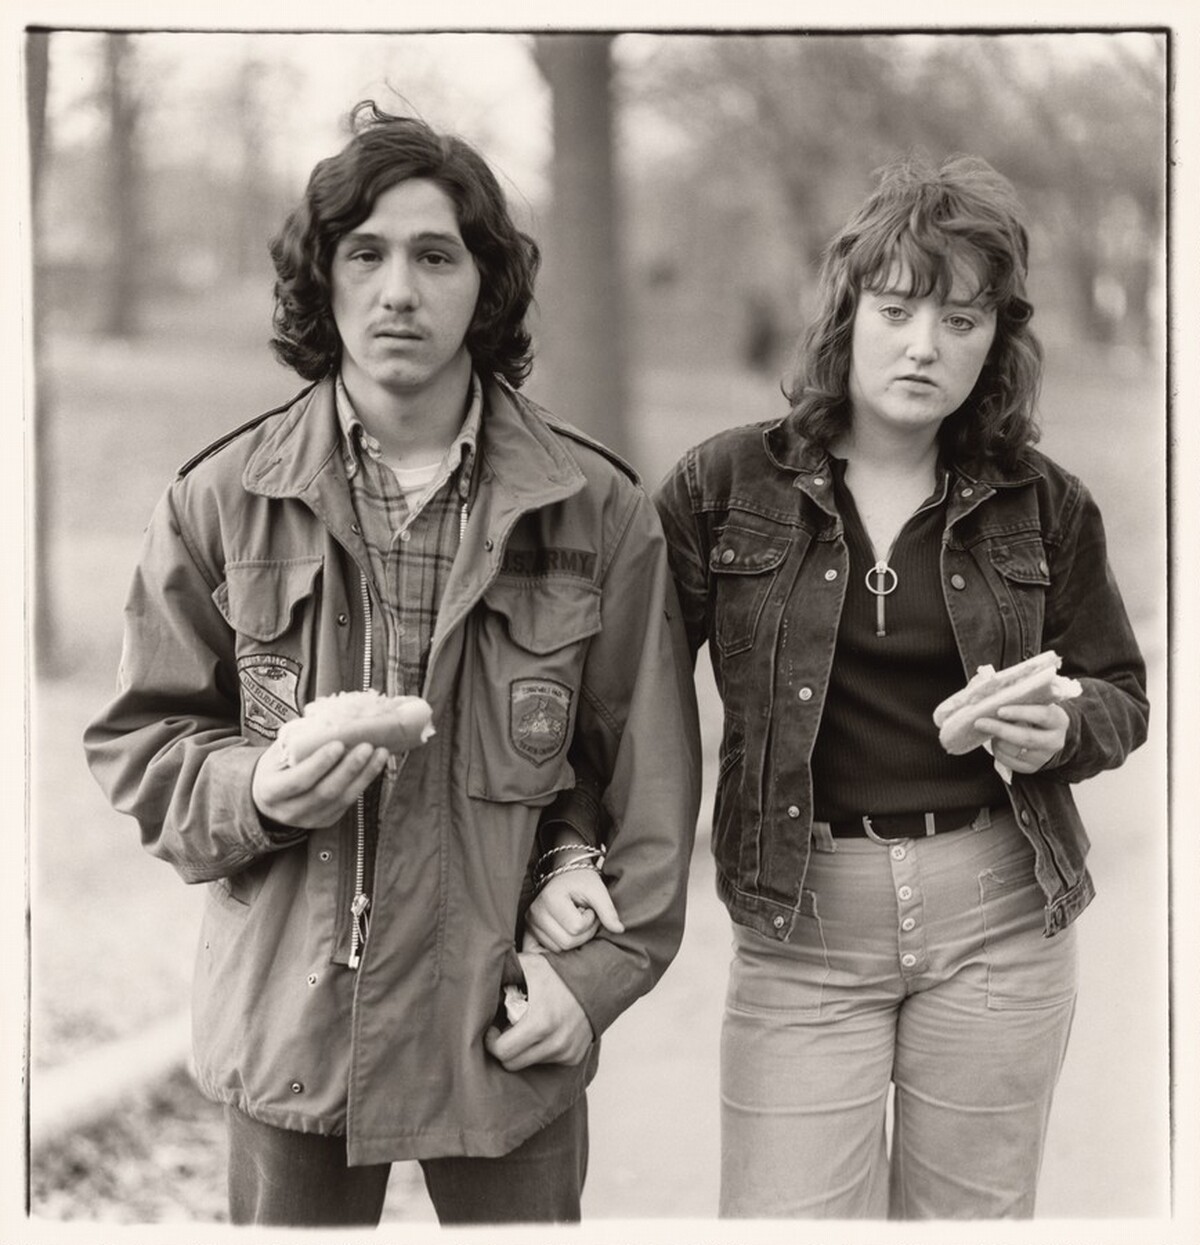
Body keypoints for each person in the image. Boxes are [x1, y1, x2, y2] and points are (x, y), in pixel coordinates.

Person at [83, 100, 700, 1228]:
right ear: (321, 279)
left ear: (487, 285)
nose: (398, 291)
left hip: (510, 1025)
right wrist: (253, 789)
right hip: (291, 1026)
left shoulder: (596, 510)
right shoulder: (221, 501)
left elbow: (649, 785)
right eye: (363, 254)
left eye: (435, 255)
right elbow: (141, 740)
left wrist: (593, 981)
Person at [563, 153, 1148, 1218]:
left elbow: (1117, 691)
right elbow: (615, 699)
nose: (926, 345)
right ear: (846, 313)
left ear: (997, 345)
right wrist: (567, 844)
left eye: (963, 323)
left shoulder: (1041, 502)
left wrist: (1054, 726)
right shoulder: (722, 486)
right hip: (804, 929)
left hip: (1001, 918)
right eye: (897, 309)